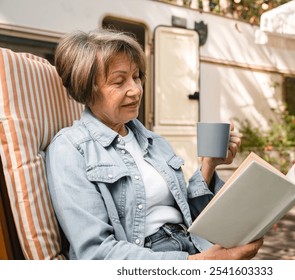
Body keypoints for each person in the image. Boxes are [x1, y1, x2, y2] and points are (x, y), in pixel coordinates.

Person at [46, 28, 263, 260]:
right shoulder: (69, 149)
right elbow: (97, 253)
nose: (136, 90)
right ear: (87, 89)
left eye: (137, 77)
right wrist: (201, 263)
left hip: (190, 244)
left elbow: (190, 217)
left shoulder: (153, 141)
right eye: (119, 82)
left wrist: (209, 166)